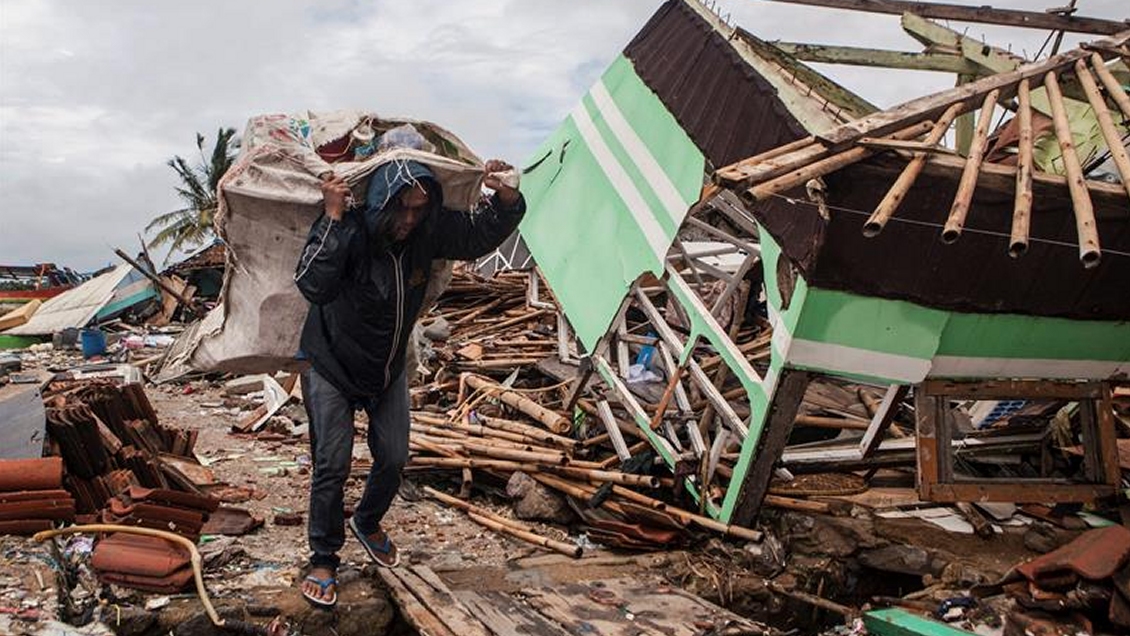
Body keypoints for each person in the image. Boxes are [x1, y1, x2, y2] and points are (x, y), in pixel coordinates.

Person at [293, 158, 524, 607]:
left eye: (420, 209)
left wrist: (508, 198)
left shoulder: (428, 232)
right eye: (402, 209)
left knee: (395, 457)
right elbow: (312, 285)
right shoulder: (352, 230)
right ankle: (323, 557)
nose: (410, 219)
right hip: (331, 367)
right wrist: (334, 219)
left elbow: (480, 236)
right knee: (332, 464)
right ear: (381, 202)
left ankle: (367, 520)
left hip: (387, 368)